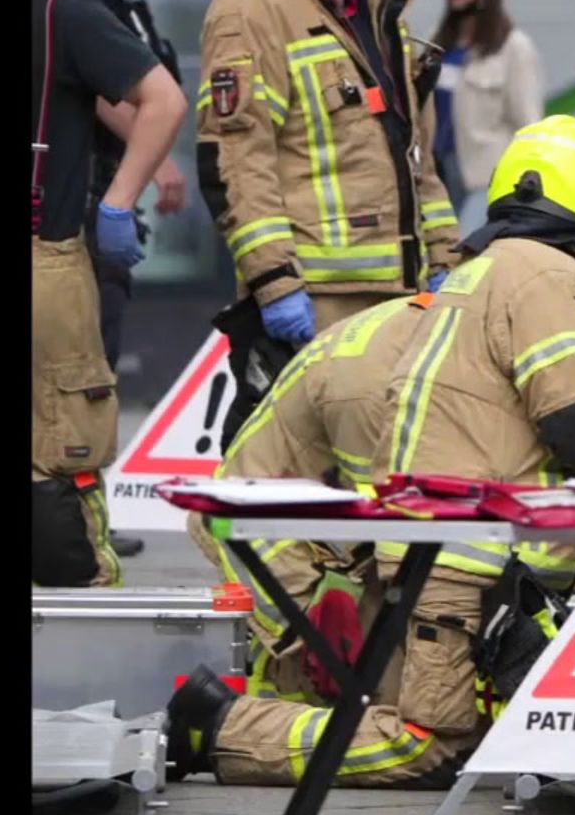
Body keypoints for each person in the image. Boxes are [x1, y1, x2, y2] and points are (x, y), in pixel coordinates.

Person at [167, 115, 575, 789]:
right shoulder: (510, 295)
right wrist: (310, 633)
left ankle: (284, 710)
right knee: (424, 743)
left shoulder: (451, 315)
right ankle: (217, 725)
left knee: (432, 716)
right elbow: (574, 439)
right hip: (293, 540)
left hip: (360, 547)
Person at [195, 0, 462, 376]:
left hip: (403, 294)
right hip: (315, 302)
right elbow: (237, 158)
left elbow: (416, 154)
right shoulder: (249, 7)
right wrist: (273, 281)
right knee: (294, 463)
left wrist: (444, 255)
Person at [32, 0, 190, 560]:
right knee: (73, 411)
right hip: (60, 230)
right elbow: (144, 95)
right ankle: (76, 553)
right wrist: (130, 186)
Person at [186, 292, 441, 702]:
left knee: (343, 674)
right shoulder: (370, 386)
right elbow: (389, 535)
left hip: (296, 533)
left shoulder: (420, 329)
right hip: (273, 542)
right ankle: (230, 728)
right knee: (348, 684)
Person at [430, 0, 545, 222]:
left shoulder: (513, 48)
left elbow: (529, 125)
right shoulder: (440, 44)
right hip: (438, 178)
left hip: (485, 179)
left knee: (470, 255)